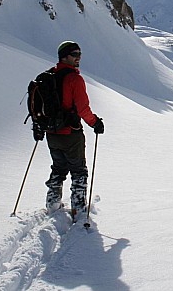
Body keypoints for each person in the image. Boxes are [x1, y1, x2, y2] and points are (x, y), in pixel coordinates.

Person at [34, 41, 104, 215]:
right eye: (74, 54)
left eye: (79, 54)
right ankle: (79, 210)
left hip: (51, 132)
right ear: (64, 56)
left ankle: (52, 203)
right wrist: (95, 123)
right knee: (79, 170)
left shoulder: (48, 76)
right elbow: (82, 108)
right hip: (71, 133)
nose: (78, 57)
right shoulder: (74, 79)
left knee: (58, 167)